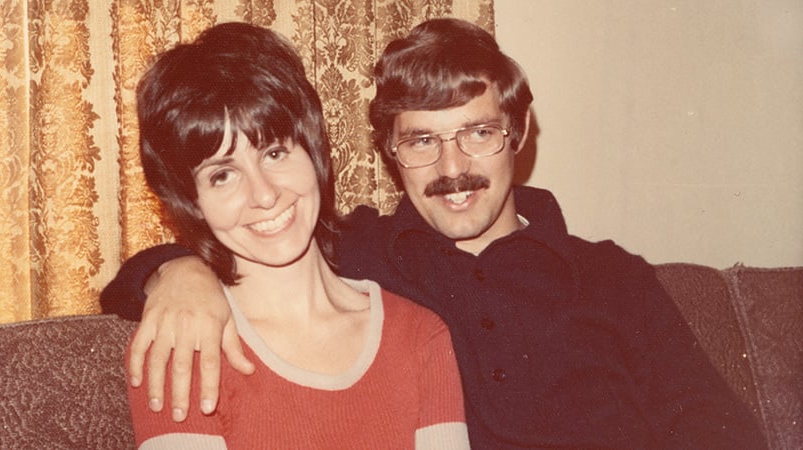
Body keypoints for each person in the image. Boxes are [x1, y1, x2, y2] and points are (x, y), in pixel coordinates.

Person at [104, 18, 767, 449]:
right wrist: (176, 271)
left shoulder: (609, 275)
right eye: (421, 141)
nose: (453, 170)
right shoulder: (360, 256)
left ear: (517, 134)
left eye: (477, 133)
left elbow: (718, 428)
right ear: (388, 152)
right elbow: (251, 230)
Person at [123, 22, 469, 449]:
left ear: (314, 149)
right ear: (191, 202)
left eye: (274, 152)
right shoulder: (185, 346)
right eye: (222, 175)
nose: (265, 194)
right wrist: (175, 269)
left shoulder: (420, 336)